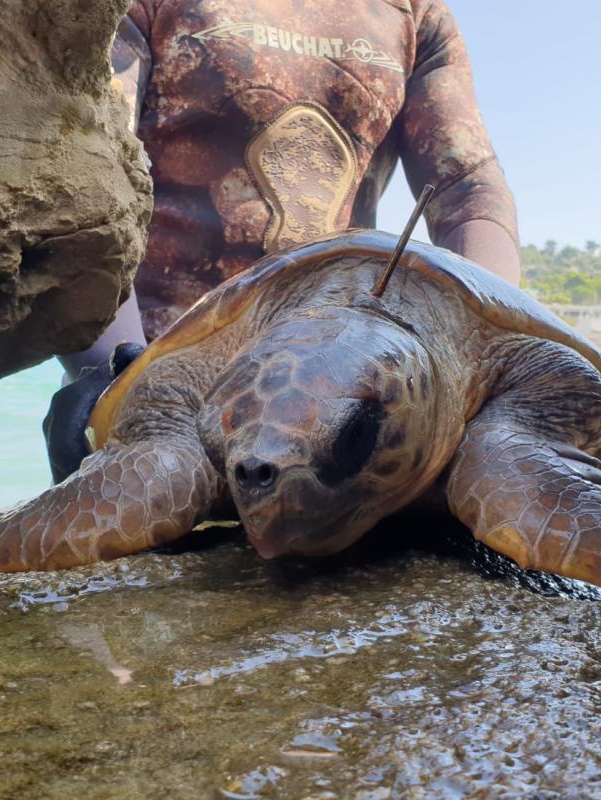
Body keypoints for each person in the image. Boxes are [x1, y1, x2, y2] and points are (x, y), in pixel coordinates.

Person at [45, 0, 522, 481]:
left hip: (336, 406)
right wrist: (113, 375)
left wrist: (479, 363)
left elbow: (466, 186)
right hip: (163, 391)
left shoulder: (413, 13)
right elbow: (86, 157)